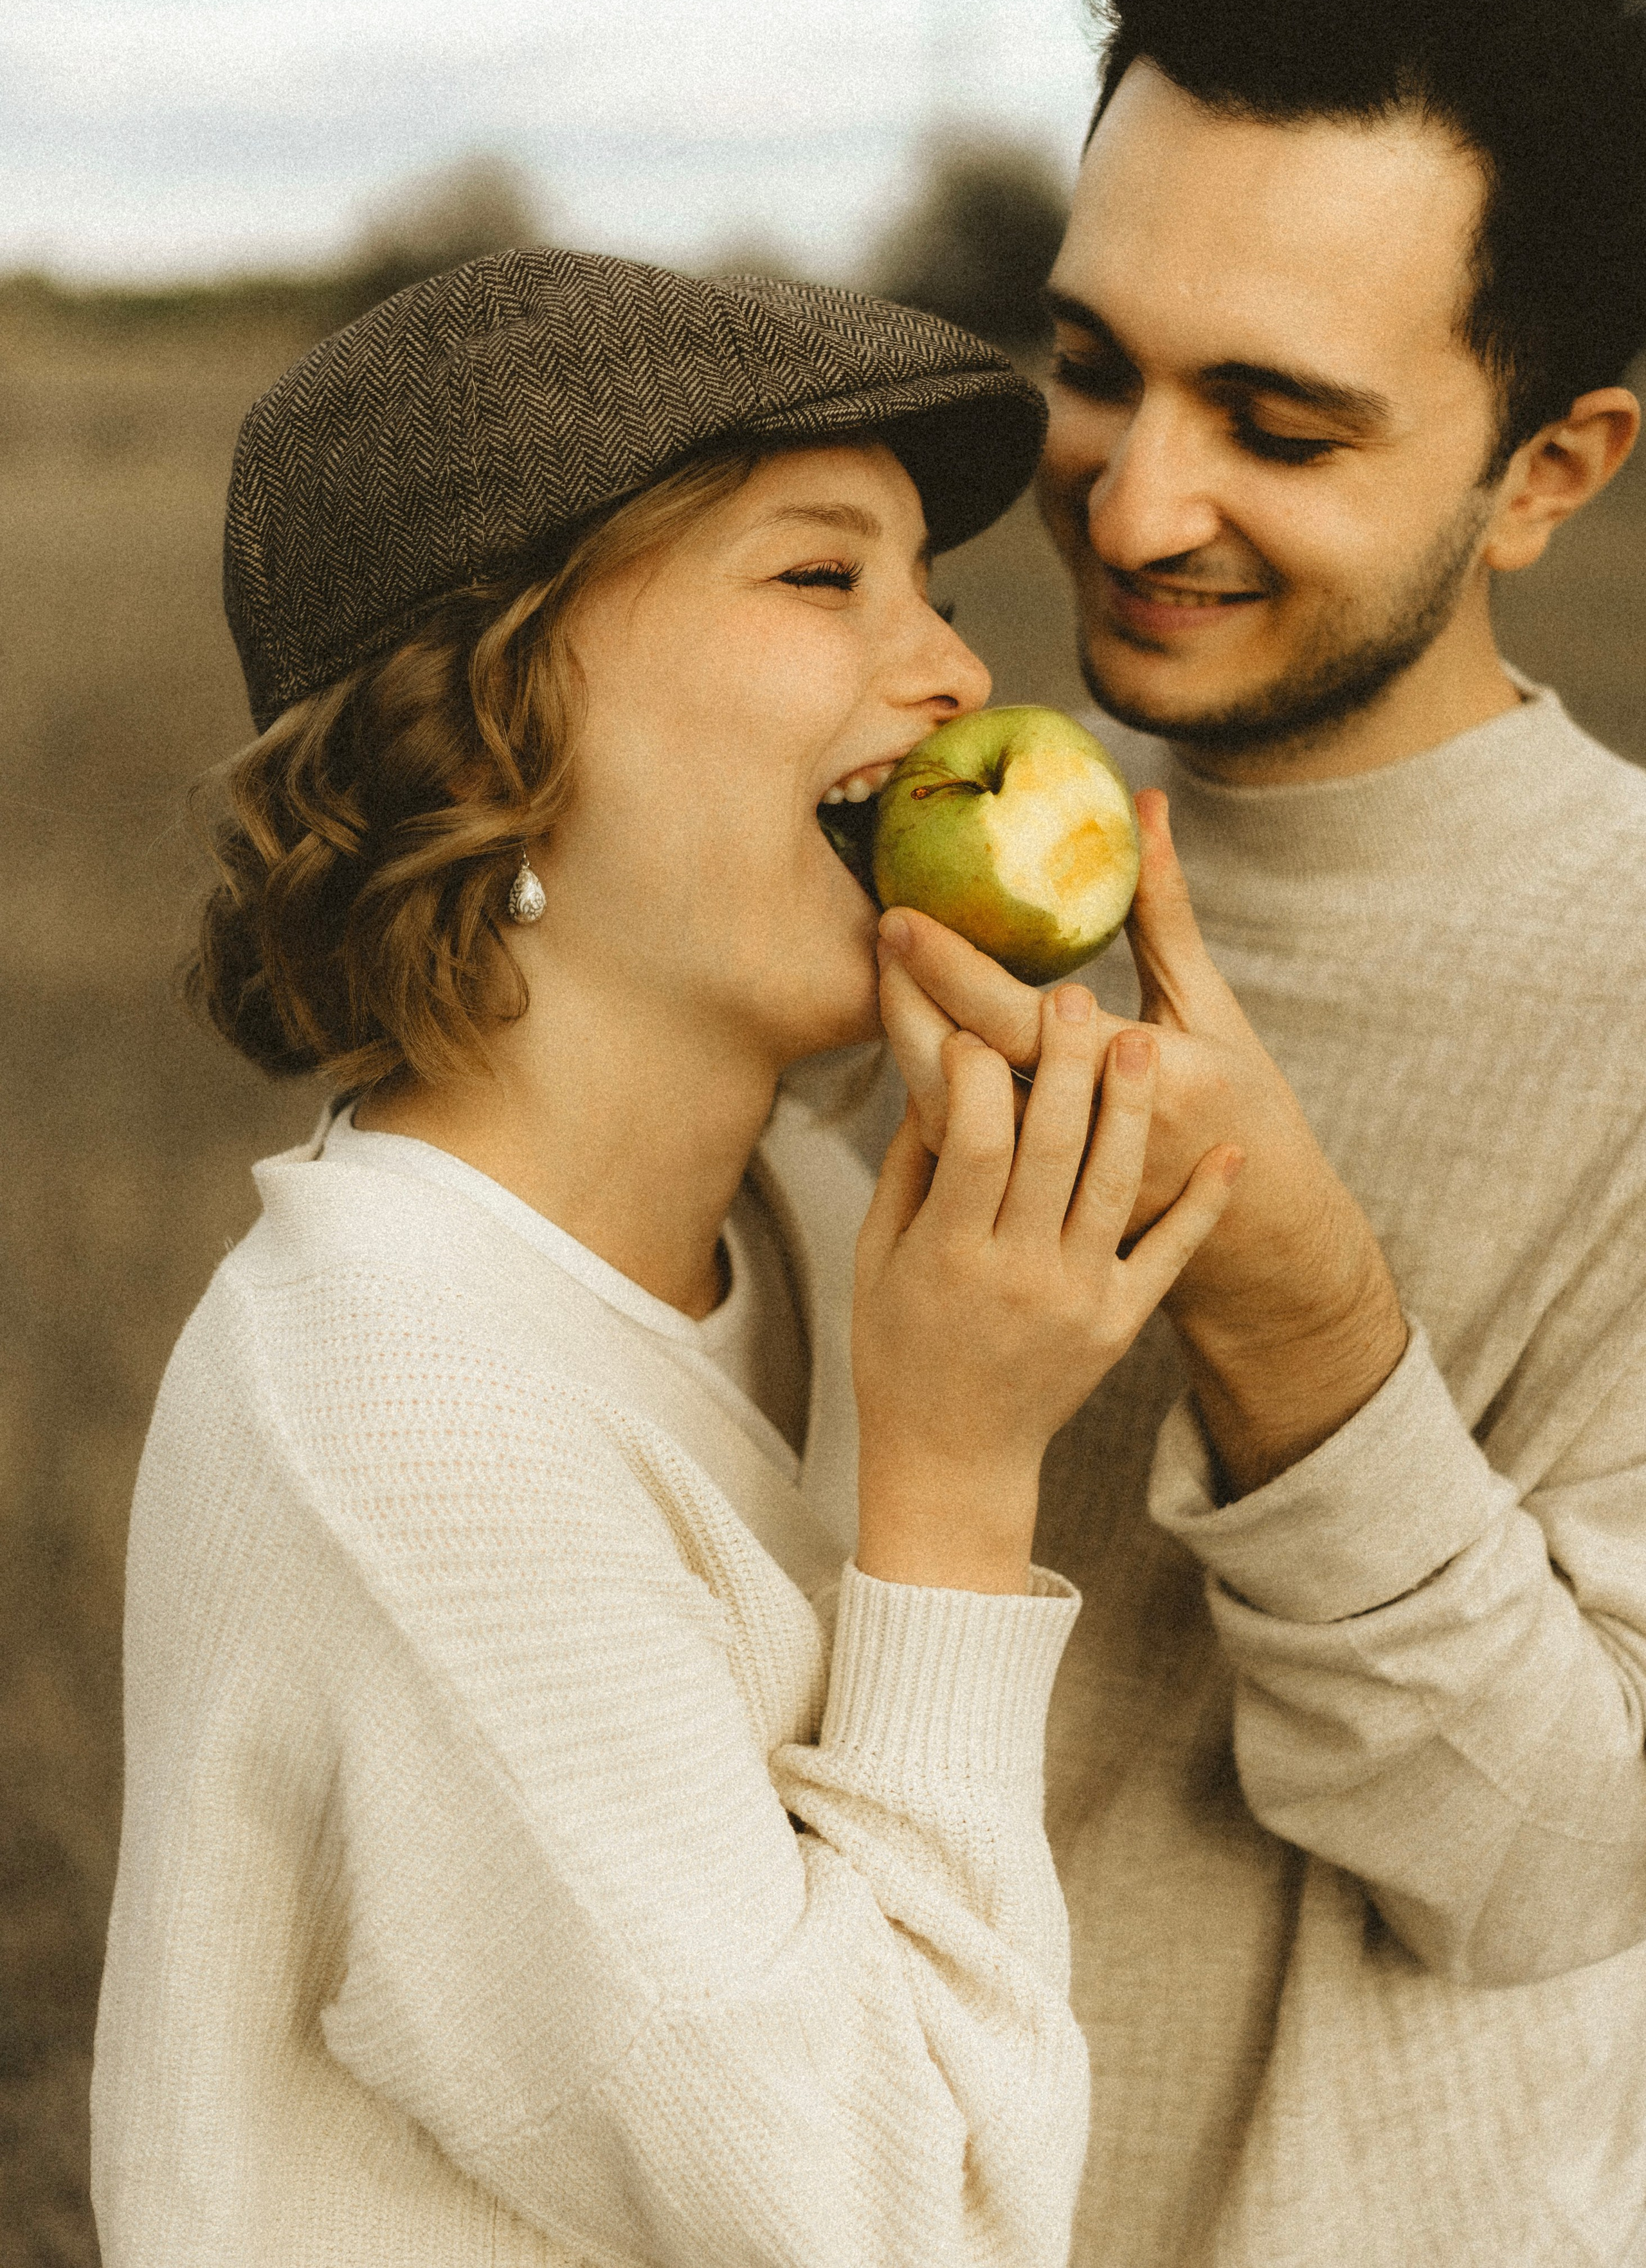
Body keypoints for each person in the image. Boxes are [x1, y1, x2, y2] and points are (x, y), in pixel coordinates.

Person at [87, 250, 1240, 2265]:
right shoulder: (401, 1419)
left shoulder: (804, 1214)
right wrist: (956, 1490)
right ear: (489, 721)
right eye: (823, 577)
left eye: (937, 592)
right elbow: (902, 2231)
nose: (961, 676)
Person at [838, 0, 1646, 2259]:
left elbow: (1557, 1868)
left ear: (1547, 471)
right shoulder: (878, 877)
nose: (1133, 497)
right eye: (1094, 366)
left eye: (1279, 426)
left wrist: (1302, 1327)